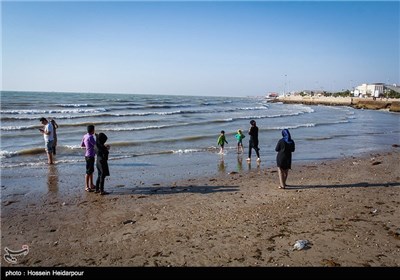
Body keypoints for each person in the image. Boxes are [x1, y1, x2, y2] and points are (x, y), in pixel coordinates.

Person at [81, 125, 96, 192]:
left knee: (91, 171)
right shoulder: (91, 137)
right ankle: (86, 186)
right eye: (94, 129)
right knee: (88, 171)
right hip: (90, 156)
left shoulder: (85, 136)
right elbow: (95, 145)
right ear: (92, 130)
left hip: (87, 155)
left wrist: (88, 146)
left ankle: (91, 184)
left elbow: (82, 145)